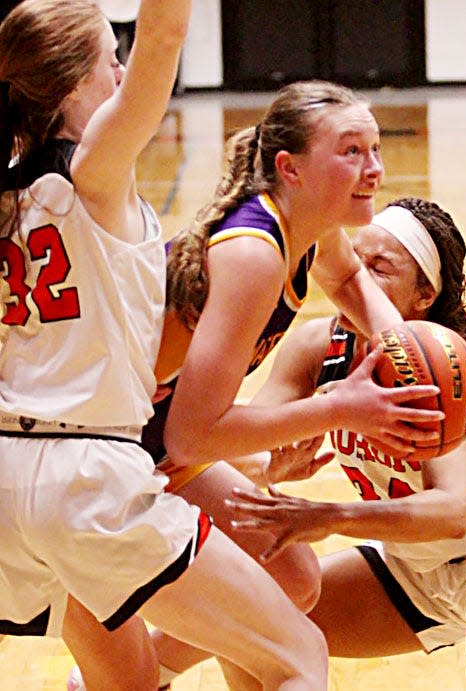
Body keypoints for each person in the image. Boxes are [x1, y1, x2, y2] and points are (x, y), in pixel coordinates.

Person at [65, 81, 444, 689]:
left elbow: (348, 281)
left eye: (375, 149)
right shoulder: (254, 255)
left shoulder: (310, 225)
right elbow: (195, 435)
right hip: (89, 458)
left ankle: (148, 671)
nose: (372, 168)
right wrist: (339, 409)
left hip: (145, 439)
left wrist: (403, 349)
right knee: (278, 654)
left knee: (290, 574)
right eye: (351, 151)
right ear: (290, 169)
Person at [0, 2, 329, 690]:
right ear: (70, 83)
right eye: (107, 61)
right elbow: (165, 36)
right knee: (298, 655)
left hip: (7, 474)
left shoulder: (10, 194)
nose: (122, 72)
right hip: (85, 469)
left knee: (128, 681)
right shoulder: (91, 174)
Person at [224, 197, 466, 690]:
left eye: (380, 270)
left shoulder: (440, 363)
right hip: (410, 568)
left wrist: (328, 517)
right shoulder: (316, 347)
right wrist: (271, 469)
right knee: (246, 627)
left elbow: (452, 511)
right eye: (354, 263)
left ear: (423, 295)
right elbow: (238, 454)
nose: (356, 282)